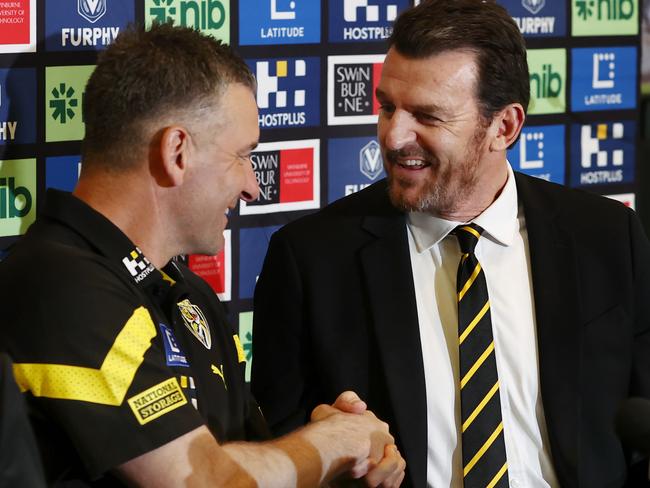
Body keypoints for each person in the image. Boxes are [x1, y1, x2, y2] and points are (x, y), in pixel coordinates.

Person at [251, 0, 650, 487]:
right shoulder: (310, 259)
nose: (394, 136)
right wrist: (330, 460)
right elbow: (279, 450)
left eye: (428, 117)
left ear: (504, 127)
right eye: (387, 107)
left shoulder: (607, 236)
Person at [0, 23, 406, 487]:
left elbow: (245, 464)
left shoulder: (188, 295)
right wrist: (336, 442)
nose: (254, 186)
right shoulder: (57, 285)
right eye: (243, 155)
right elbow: (202, 482)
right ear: (177, 152)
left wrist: (338, 457)